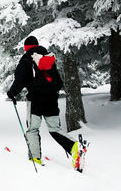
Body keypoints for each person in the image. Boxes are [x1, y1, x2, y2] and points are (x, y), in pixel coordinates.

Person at [7, 36, 80, 166]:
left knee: (33, 129)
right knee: (54, 129)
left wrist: (11, 93)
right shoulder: (48, 58)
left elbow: (19, 81)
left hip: (35, 101)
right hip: (51, 100)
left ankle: (35, 158)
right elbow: (58, 82)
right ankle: (74, 147)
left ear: (26, 48)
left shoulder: (25, 61)